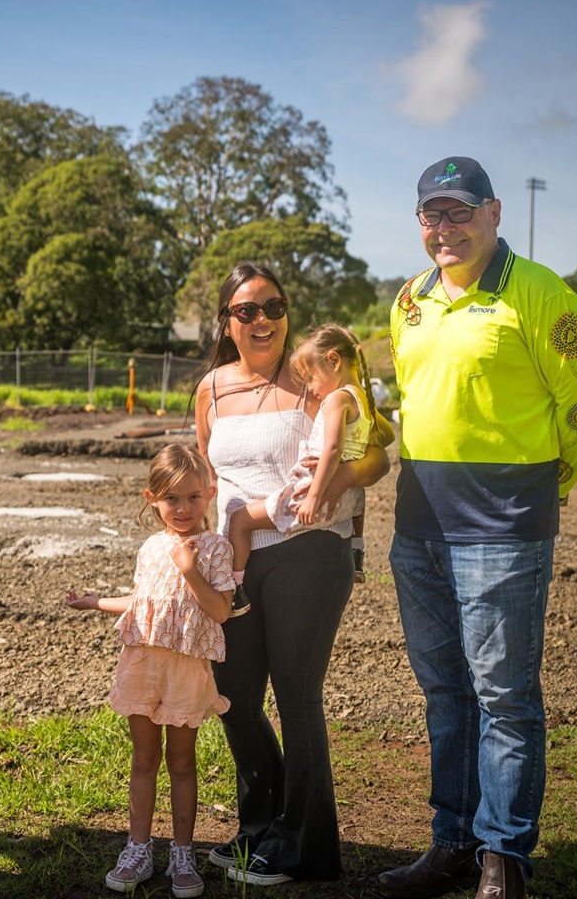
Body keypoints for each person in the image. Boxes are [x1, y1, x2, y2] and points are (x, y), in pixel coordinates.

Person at [378, 157, 577, 899]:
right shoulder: (408, 300)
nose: (444, 228)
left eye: (458, 212)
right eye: (431, 215)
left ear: (494, 212)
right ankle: (451, 843)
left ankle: (502, 859)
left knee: (504, 697)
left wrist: (548, 488)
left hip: (504, 528)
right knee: (445, 693)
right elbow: (415, 401)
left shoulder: (542, 295)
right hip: (418, 527)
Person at [193, 262, 392, 887]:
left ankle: (304, 845)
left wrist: (338, 483)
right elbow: (207, 476)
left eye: (273, 308)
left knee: (297, 701)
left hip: (309, 549)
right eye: (246, 310)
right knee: (235, 699)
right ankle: (261, 829)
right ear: (227, 321)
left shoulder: (316, 379)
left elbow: (377, 455)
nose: (262, 321)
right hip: (234, 557)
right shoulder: (211, 389)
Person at [66, 444, 234, 899]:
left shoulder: (216, 548)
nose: (183, 509)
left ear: (211, 494)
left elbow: (219, 611)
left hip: (185, 670)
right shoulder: (150, 546)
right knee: (143, 759)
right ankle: (138, 848)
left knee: (181, 762)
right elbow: (144, 602)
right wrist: (95, 601)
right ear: (151, 498)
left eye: (194, 498)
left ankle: (182, 852)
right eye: (172, 499)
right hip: (142, 664)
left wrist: (191, 568)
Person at [227, 323, 388, 587]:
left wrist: (312, 497)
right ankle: (356, 551)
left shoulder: (336, 399)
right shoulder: (362, 398)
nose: (310, 388)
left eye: (311, 378)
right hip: (352, 499)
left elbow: (332, 449)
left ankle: (234, 587)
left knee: (240, 519)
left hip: (313, 487)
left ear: (334, 361)